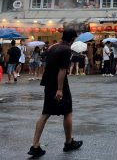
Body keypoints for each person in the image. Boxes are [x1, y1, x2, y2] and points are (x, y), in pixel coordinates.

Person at [27, 29, 82, 158]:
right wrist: (60, 89)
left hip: (48, 82)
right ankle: (68, 143)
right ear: (72, 39)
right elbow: (62, 70)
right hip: (58, 83)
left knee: (45, 113)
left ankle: (35, 145)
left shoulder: (54, 46)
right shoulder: (66, 50)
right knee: (67, 111)